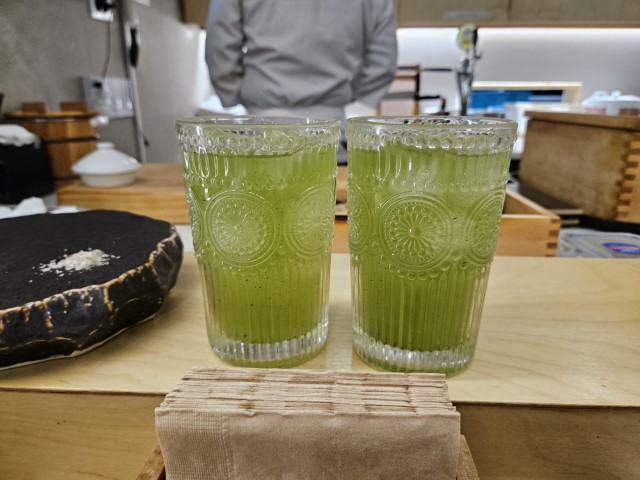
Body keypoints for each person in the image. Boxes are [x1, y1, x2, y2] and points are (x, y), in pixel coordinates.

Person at [204, 0, 398, 162]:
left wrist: (236, 94)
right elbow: (383, 58)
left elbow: (219, 48)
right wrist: (356, 101)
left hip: (260, 132)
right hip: (333, 134)